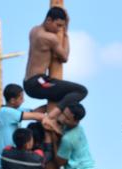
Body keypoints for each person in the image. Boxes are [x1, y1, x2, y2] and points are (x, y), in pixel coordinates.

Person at [23, 6, 87, 134]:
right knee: (81, 91)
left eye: (61, 26)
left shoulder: (34, 30)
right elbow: (64, 57)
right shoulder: (49, 38)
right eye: (58, 25)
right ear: (48, 20)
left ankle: (39, 113)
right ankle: (51, 118)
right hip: (37, 82)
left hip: (29, 81)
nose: (59, 29)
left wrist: (63, 26)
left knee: (62, 97)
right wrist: (66, 35)